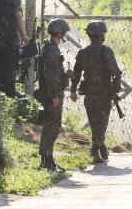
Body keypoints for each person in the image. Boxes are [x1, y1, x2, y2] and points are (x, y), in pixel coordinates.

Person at [70, 20, 122, 163]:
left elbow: (76, 72)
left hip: (90, 94)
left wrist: (73, 90)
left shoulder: (83, 53)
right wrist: (116, 90)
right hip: (105, 94)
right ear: (102, 35)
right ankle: (97, 147)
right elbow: (116, 73)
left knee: (94, 122)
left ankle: (99, 145)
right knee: (102, 122)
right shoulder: (107, 51)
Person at [38, 18, 71, 172]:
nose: (65, 34)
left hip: (53, 93)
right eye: (63, 31)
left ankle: (47, 159)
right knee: (53, 126)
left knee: (50, 126)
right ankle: (47, 160)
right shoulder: (52, 50)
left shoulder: (50, 48)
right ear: (59, 32)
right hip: (52, 95)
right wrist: (54, 96)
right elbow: (50, 75)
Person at [0, 0, 29, 100]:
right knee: (12, 62)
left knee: (1, 61)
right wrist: (24, 34)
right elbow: (18, 15)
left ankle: (1, 85)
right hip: (11, 36)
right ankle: (11, 90)